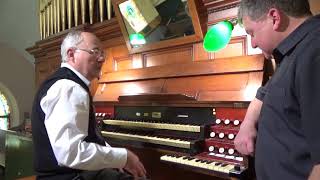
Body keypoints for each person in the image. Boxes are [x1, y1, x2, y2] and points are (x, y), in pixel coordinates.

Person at [31, 31, 146, 180]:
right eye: (95, 51)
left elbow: (89, 138)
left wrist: (118, 158)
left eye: (102, 53)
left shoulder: (70, 84)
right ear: (71, 54)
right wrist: (124, 157)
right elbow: (70, 154)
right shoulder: (68, 87)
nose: (102, 58)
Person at [234, 0, 320, 179]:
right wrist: (247, 124)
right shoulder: (291, 52)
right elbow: (265, 93)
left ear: (274, 18)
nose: (253, 44)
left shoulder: (314, 53)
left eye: (251, 33)